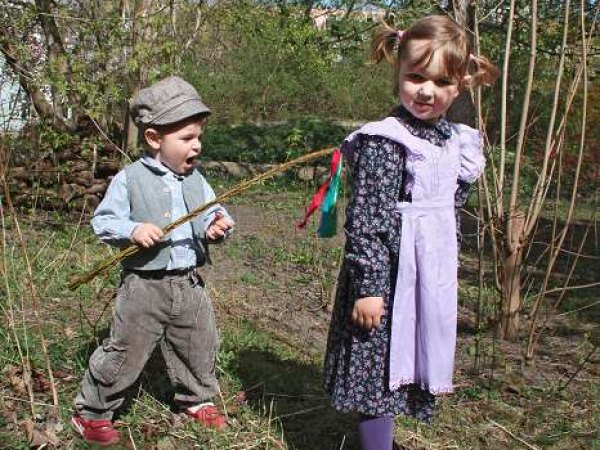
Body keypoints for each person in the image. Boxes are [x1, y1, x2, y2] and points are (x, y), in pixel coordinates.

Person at [322, 15, 498, 450]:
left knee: (409, 362)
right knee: (379, 368)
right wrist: (369, 288)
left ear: (459, 86)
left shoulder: (455, 142)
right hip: (388, 279)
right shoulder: (386, 140)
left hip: (427, 279)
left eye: (441, 82)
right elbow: (367, 219)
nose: (427, 91)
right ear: (398, 70)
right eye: (416, 77)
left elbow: (449, 210)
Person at [71, 76, 235, 446]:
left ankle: (196, 399)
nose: (197, 145)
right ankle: (92, 411)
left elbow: (214, 211)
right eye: (187, 138)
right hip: (144, 286)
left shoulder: (197, 180)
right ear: (154, 138)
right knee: (126, 349)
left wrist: (217, 225)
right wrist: (133, 230)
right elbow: (103, 221)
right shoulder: (130, 179)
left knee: (199, 341)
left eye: (198, 137)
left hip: (188, 283)